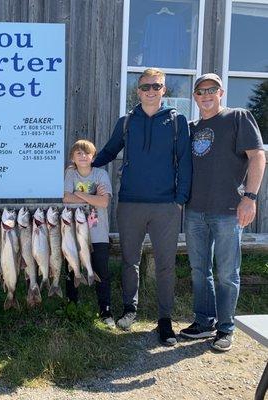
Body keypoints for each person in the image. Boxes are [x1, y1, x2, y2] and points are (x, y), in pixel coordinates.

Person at [93, 67, 192, 346]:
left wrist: (180, 199)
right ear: (138, 91)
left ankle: (165, 320)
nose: (151, 91)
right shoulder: (126, 122)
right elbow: (109, 152)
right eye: (146, 87)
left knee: (166, 265)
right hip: (130, 203)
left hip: (166, 206)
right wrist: (81, 168)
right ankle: (129, 309)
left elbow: (184, 161)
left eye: (156, 86)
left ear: (164, 90)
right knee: (129, 260)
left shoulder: (177, 121)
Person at [179, 73, 265, 351]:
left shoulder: (238, 117)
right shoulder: (191, 127)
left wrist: (250, 198)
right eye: (200, 91)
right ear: (194, 97)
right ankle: (204, 323)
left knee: (227, 272)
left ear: (221, 92)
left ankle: (225, 329)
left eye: (211, 90)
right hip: (195, 211)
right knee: (199, 270)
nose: (205, 96)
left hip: (228, 210)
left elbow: (258, 156)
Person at [63, 139, 115, 328]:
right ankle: (71, 306)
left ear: (93, 157)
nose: (83, 156)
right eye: (78, 153)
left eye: (87, 153)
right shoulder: (70, 174)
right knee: (71, 270)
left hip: (98, 233)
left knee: (102, 271)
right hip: (74, 234)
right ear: (73, 158)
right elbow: (66, 198)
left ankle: (105, 310)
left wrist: (81, 194)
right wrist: (94, 196)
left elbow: (104, 203)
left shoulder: (101, 174)